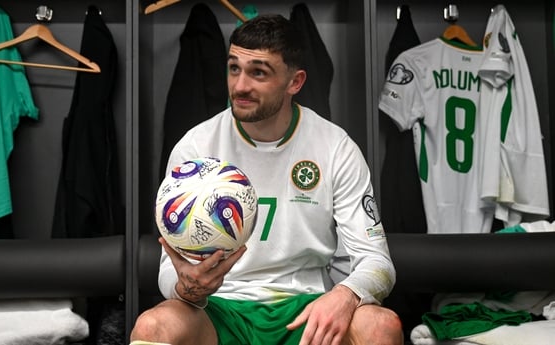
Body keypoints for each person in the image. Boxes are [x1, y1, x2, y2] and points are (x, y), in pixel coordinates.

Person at [131, 14, 403, 345]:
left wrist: (345, 295)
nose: (240, 85)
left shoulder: (335, 147)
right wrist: (187, 286)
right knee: (152, 327)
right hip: (220, 309)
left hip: (307, 309)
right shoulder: (196, 147)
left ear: (295, 82)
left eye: (258, 72)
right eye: (234, 68)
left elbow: (377, 262)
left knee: (381, 325)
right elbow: (170, 269)